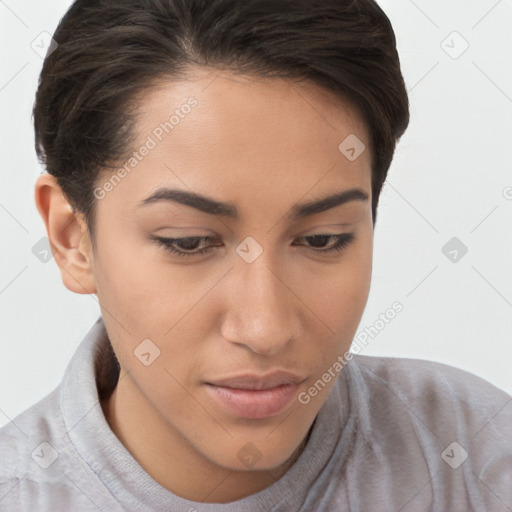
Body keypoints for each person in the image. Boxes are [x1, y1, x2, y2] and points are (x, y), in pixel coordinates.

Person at [1, 0, 511, 510]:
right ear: (72, 239)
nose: (264, 329)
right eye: (188, 242)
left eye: (322, 239)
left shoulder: (478, 458)